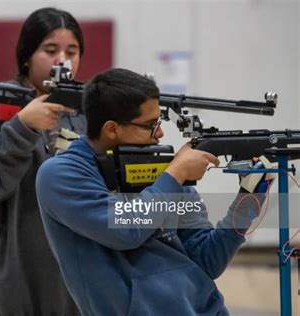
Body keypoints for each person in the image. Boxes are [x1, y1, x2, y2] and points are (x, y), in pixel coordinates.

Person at [36, 68, 267, 315]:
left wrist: (248, 200)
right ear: (112, 129)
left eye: (159, 122)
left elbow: (208, 260)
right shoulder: (60, 174)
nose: (160, 133)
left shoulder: (161, 169)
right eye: (150, 125)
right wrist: (175, 175)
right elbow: (126, 230)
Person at [0, 7, 85, 315]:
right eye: (50, 50)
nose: (62, 60)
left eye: (72, 51)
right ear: (26, 56)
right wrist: (22, 127)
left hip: (76, 284)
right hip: (8, 289)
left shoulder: (88, 113)